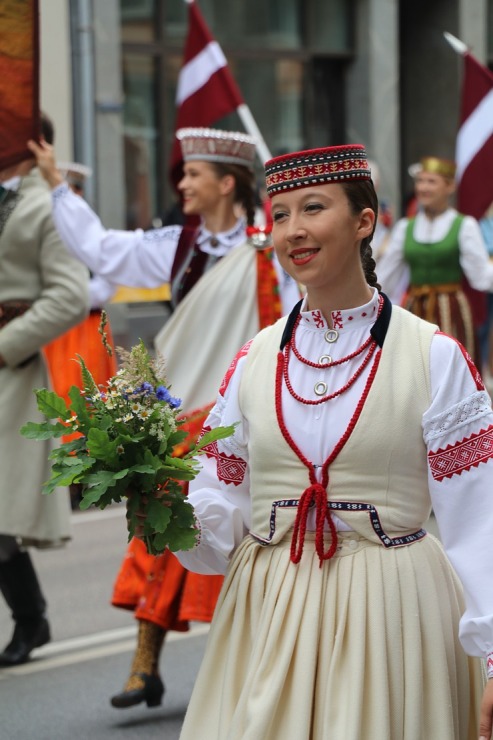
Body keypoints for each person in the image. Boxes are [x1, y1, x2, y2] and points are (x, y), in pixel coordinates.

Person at [173, 144, 493, 740]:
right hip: (267, 612)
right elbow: (221, 511)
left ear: (364, 221)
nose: (293, 230)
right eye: (281, 214)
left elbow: (479, 518)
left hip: (393, 613)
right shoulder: (254, 358)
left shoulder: (433, 357)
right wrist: (168, 508)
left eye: (313, 208)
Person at [28, 127, 301, 708]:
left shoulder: (267, 246)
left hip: (250, 411)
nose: (181, 183)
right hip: (184, 407)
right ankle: (144, 665)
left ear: (226, 183)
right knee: (158, 524)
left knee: (249, 536)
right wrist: (56, 184)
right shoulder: (180, 244)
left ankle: (255, 663)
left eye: (192, 174)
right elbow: (102, 250)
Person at [0, 114, 89, 667]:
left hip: (10, 373)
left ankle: (31, 620)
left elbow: (68, 297)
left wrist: (5, 344)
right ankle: (33, 619)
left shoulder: (46, 206)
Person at [42, 162, 118, 510]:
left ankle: (90, 470)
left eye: (77, 191)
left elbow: (107, 281)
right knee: (58, 394)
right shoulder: (48, 228)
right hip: (57, 328)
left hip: (86, 324)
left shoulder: (90, 233)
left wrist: (72, 295)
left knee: (89, 394)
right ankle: (63, 472)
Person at [377, 155, 493, 365]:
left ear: (449, 187)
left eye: (431, 181)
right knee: (413, 369)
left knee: (451, 367)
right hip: (415, 311)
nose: (423, 188)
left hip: (452, 312)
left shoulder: (464, 226)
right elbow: (384, 278)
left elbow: (481, 277)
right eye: (420, 181)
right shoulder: (405, 227)